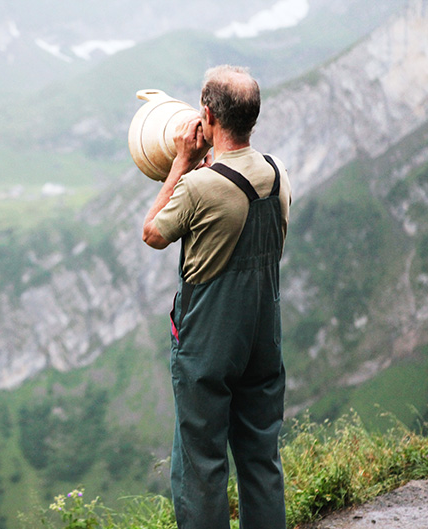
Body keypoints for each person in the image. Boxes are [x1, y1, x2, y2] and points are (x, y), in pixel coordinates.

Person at [141, 65, 291, 529]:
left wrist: (181, 164)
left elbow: (152, 232)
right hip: (263, 334)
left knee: (201, 464)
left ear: (206, 115)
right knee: (261, 455)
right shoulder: (277, 172)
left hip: (208, 342)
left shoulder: (198, 185)